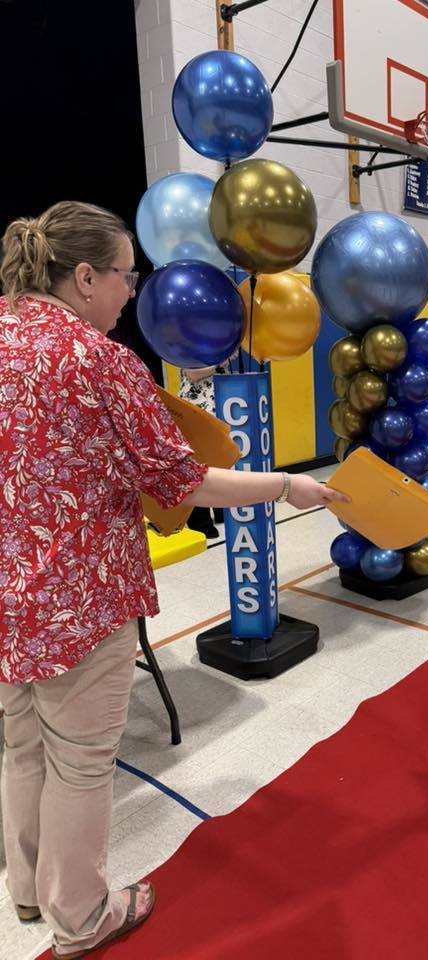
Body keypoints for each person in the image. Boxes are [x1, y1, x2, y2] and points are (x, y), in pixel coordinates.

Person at [0, 201, 348, 959]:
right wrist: (285, 485)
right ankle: (81, 916)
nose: (133, 291)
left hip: (5, 599)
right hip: (77, 602)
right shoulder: (98, 360)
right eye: (126, 275)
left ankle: (25, 891)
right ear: (85, 275)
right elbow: (182, 481)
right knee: (81, 764)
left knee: (19, 747)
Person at [179, 358, 235, 539]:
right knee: (198, 466)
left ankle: (221, 510)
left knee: (220, 461)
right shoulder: (187, 342)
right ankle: (200, 522)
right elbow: (192, 372)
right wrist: (221, 360)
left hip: (220, 404)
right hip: (197, 408)